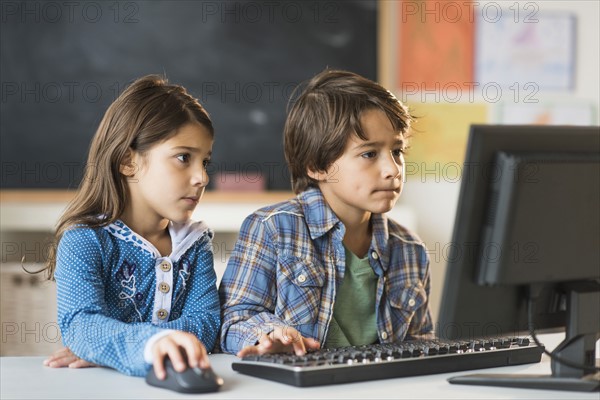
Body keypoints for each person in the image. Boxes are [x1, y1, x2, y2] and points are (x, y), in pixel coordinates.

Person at [219, 69, 433, 357]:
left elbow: (419, 346)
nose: (393, 169)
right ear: (317, 165)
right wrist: (268, 335)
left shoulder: (410, 250)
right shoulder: (272, 229)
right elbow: (234, 320)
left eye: (397, 151)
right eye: (369, 154)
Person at [42, 75, 220, 379]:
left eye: (205, 162)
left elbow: (206, 323)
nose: (201, 177)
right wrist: (150, 344)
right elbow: (82, 325)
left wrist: (109, 346)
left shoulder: (195, 242)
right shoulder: (84, 240)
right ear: (128, 161)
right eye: (183, 157)